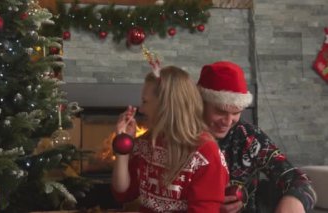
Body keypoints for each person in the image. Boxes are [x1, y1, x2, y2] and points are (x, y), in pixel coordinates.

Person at [196, 61, 317, 213]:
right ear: (201, 103)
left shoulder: (248, 137)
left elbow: (298, 180)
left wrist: (295, 199)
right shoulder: (179, 135)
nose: (228, 122)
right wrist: (207, 202)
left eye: (236, 113)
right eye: (220, 111)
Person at [111, 66, 229, 212]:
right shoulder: (147, 142)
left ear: (165, 106)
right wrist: (123, 147)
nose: (140, 109)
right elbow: (123, 193)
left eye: (145, 101)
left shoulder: (205, 153)